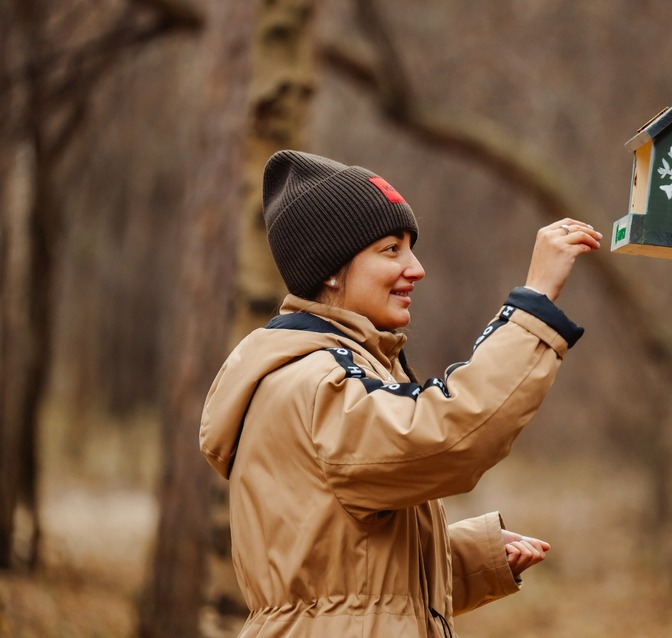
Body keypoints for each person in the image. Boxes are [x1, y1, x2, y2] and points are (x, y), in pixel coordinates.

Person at [199, 150, 602, 637]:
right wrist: (534, 305)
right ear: (329, 268)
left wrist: (478, 557)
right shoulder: (312, 382)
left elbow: (348, 577)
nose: (416, 268)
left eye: (410, 248)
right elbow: (452, 433)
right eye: (391, 249)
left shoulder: (328, 370)